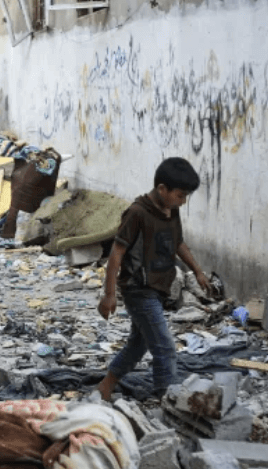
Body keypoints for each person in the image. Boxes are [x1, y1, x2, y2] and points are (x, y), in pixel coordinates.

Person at [95, 157, 212, 401]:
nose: (183, 201)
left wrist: (198, 271)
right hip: (138, 289)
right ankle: (167, 397)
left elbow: (178, 243)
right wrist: (109, 294)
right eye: (180, 195)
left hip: (158, 288)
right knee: (165, 348)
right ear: (162, 189)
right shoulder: (137, 213)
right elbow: (116, 254)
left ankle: (106, 386)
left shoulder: (172, 211)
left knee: (138, 345)